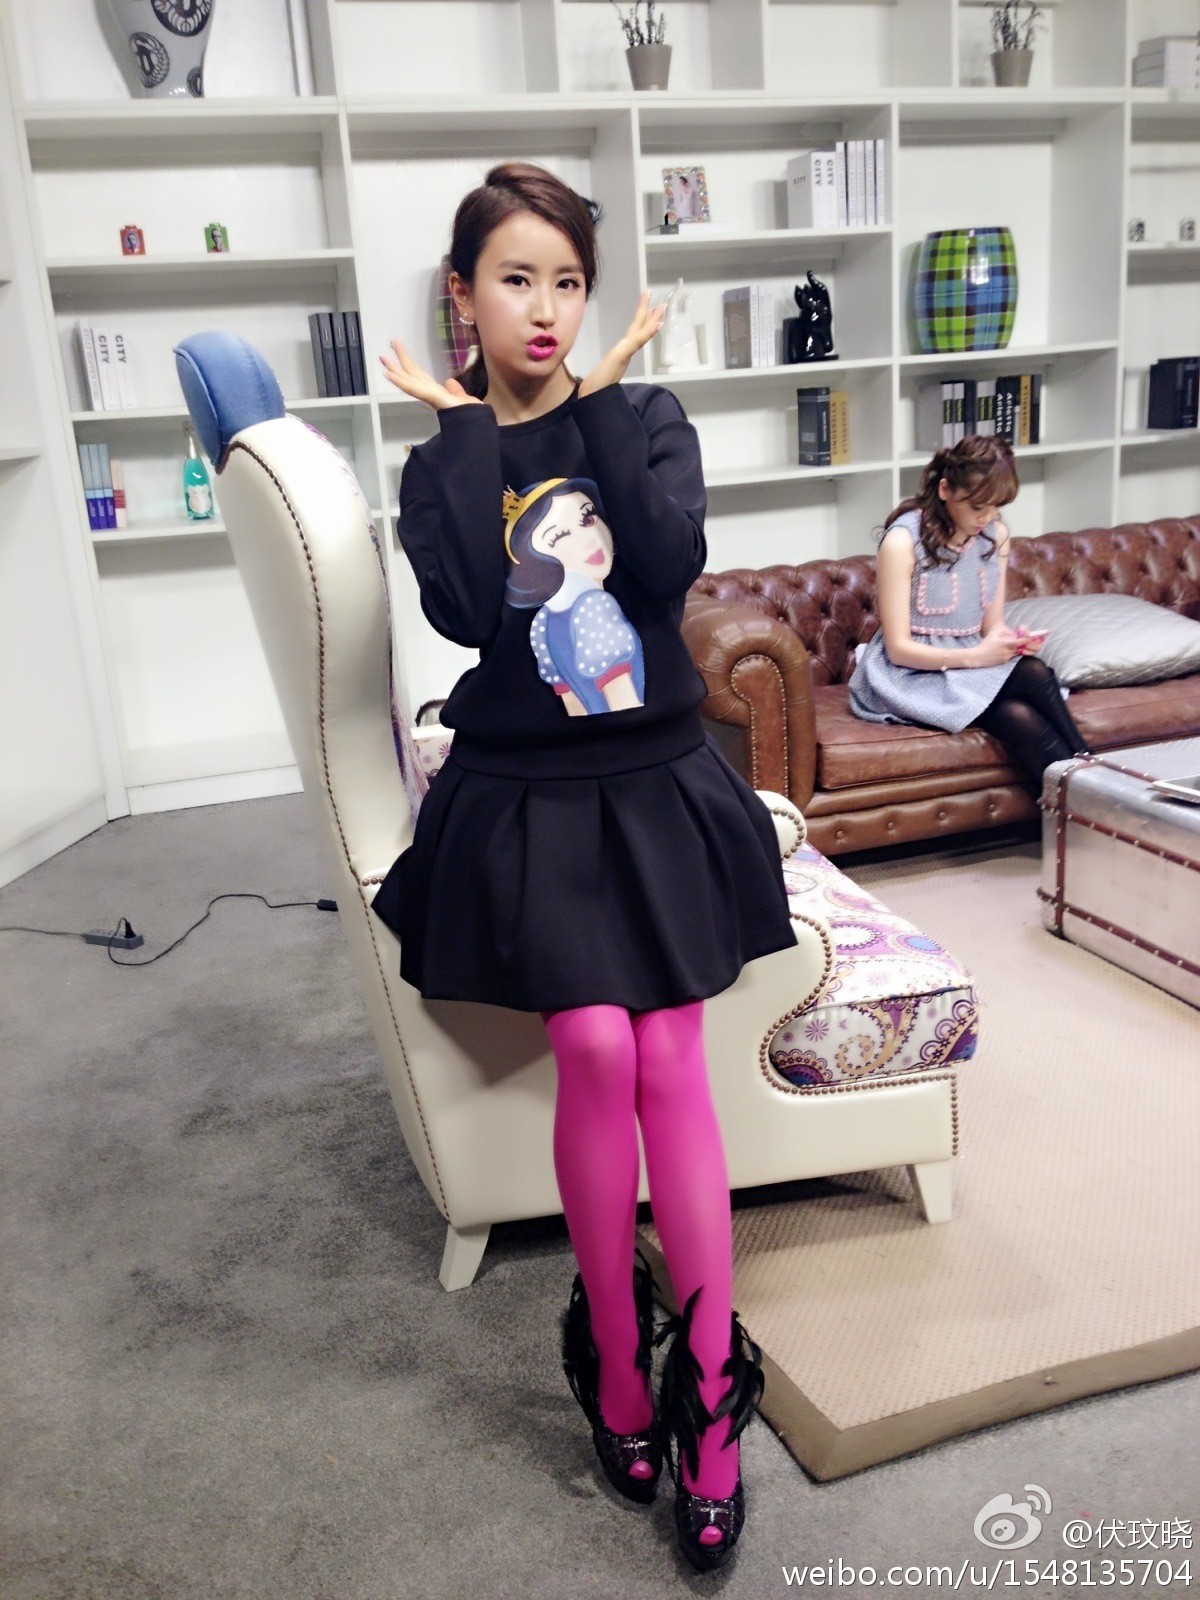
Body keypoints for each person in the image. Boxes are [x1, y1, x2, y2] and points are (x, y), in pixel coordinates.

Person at [369, 161, 795, 1572]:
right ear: (464, 295)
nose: (545, 308)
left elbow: (664, 567)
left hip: (654, 779)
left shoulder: (645, 418)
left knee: (668, 1050)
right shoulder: (442, 460)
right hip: (527, 796)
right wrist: (463, 433)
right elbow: (464, 614)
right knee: (598, 1047)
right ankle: (615, 1362)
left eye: (567, 281)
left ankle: (711, 1400)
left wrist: (602, 402)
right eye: (516, 279)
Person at [849, 436, 1091, 790]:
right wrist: (978, 657)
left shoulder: (994, 536)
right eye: (978, 506)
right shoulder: (902, 541)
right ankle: (1092, 791)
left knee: (1027, 686)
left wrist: (1009, 642)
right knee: (1024, 696)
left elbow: (991, 626)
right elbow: (898, 650)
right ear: (945, 489)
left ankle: (1088, 780)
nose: (986, 517)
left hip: (967, 666)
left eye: (996, 507)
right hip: (908, 676)